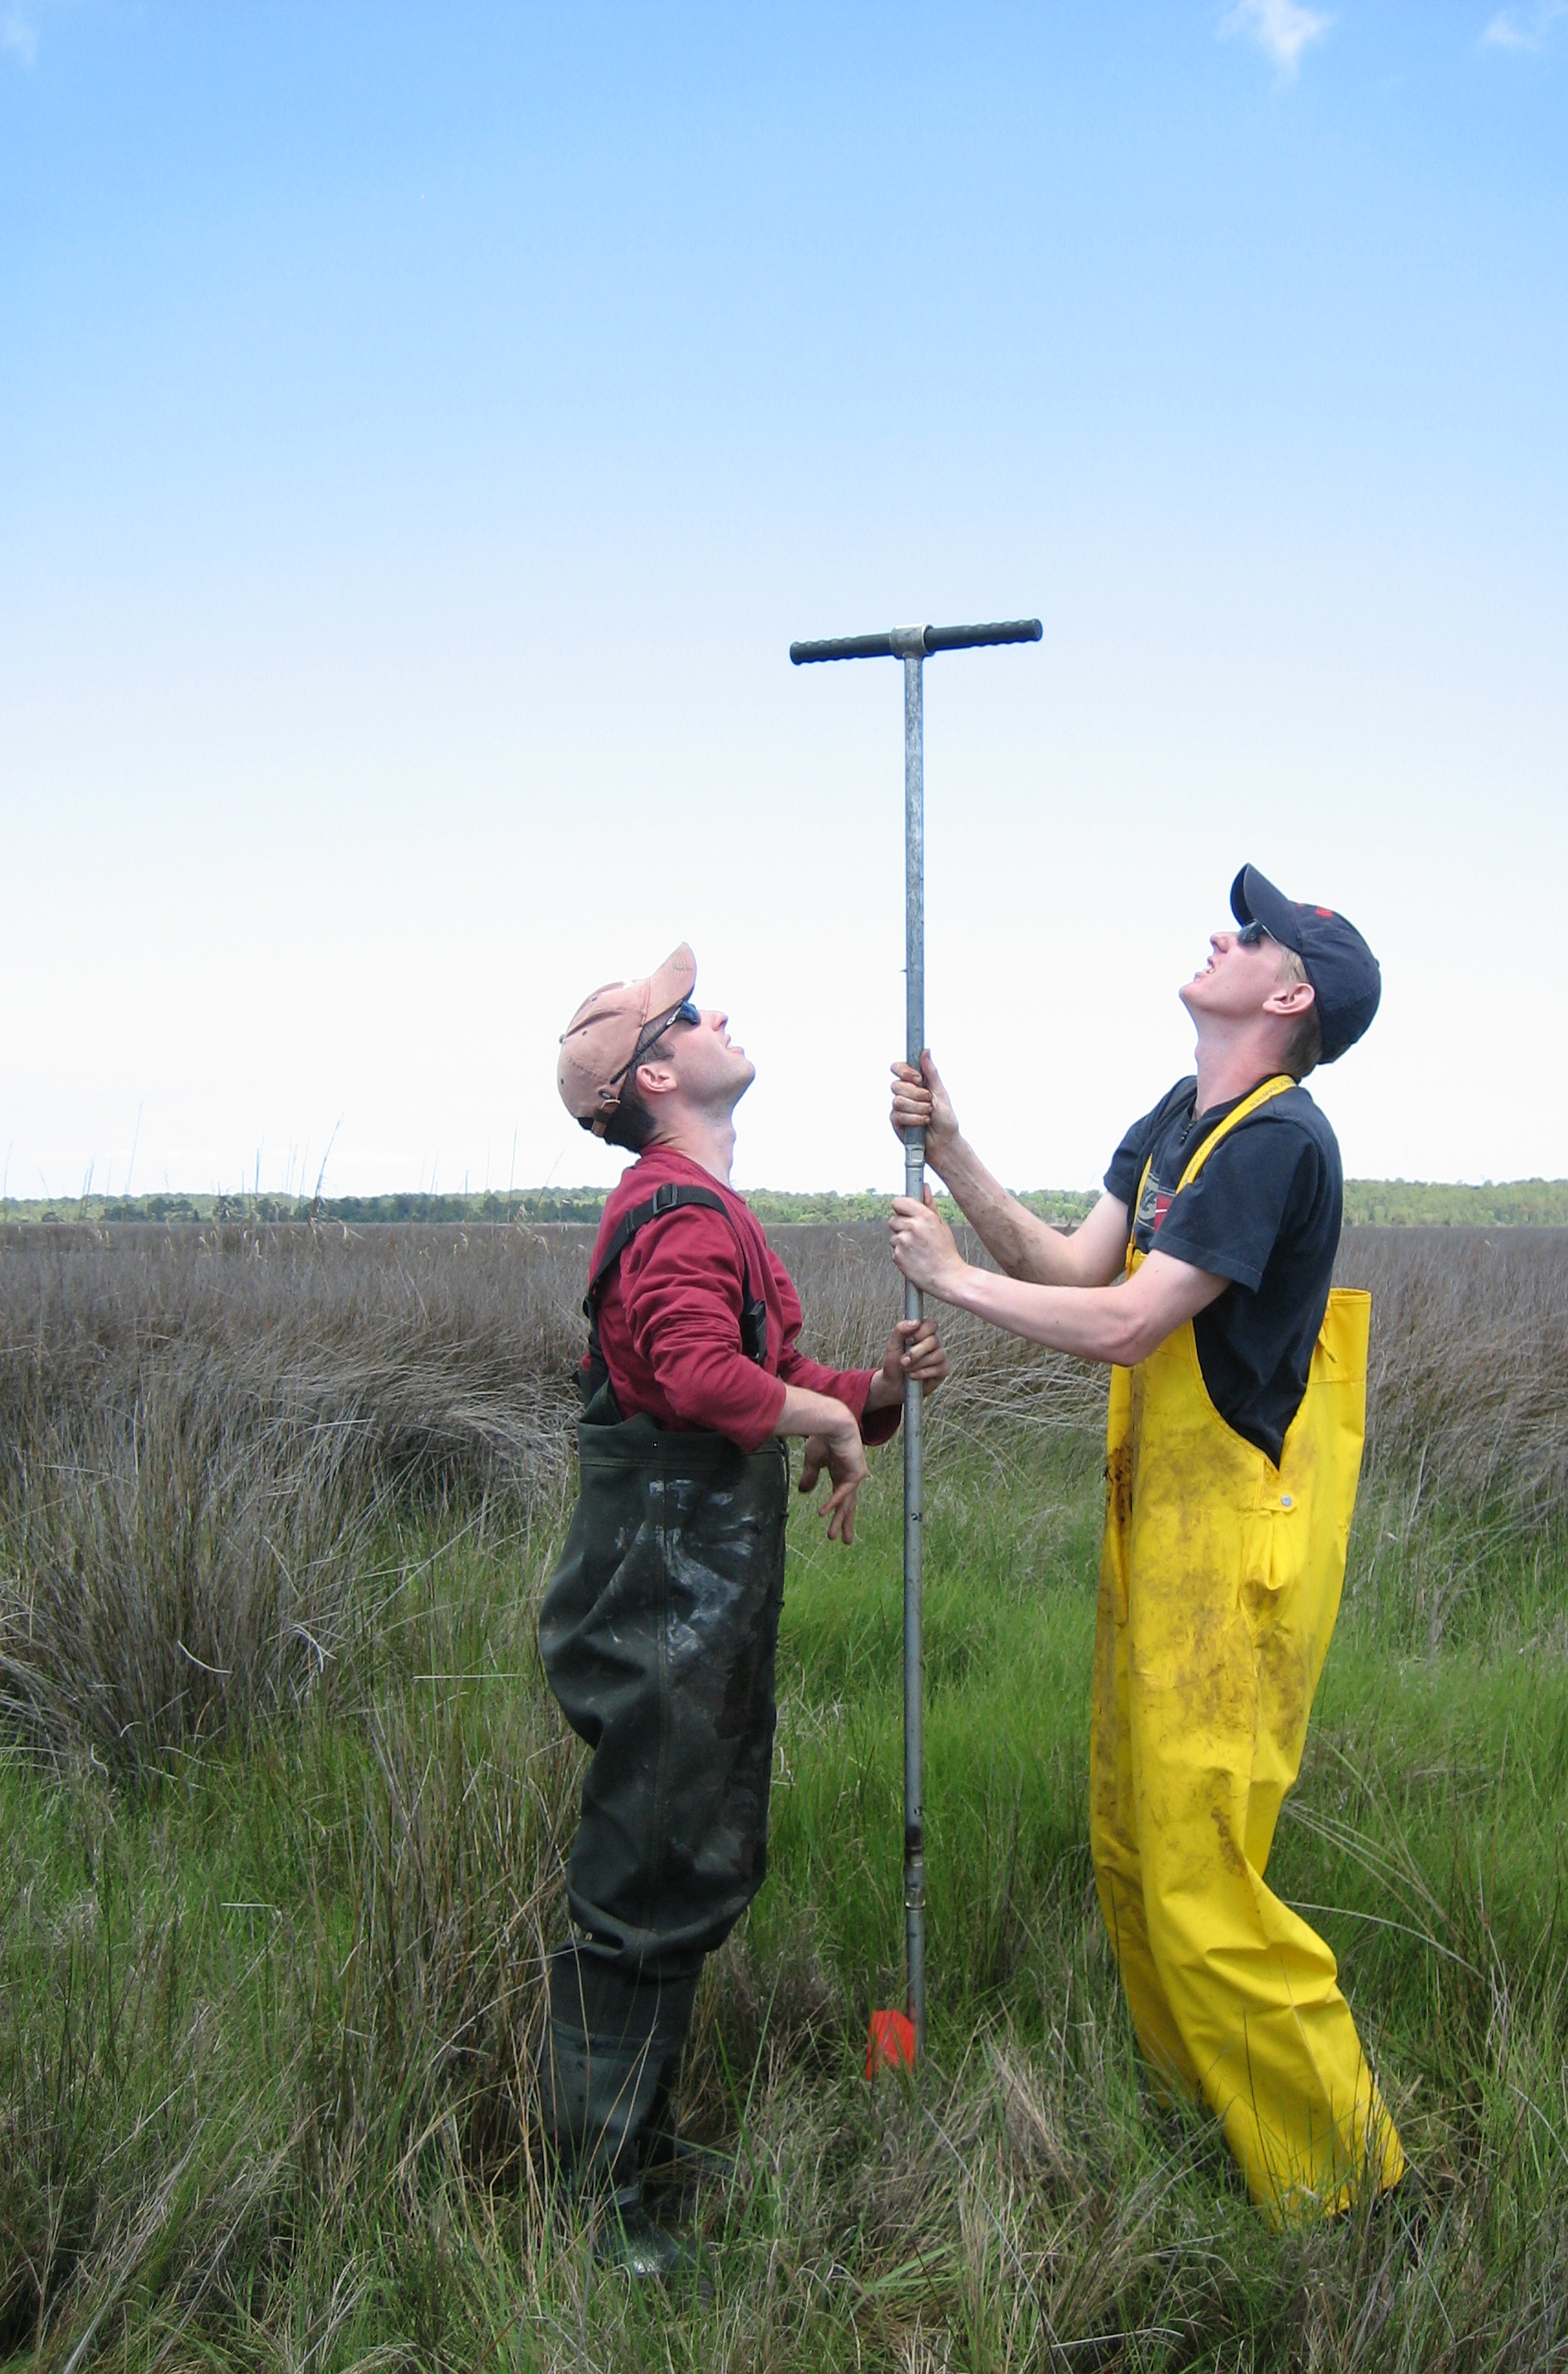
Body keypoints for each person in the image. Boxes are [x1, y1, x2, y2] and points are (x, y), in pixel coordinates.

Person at [887, 865, 1405, 2226]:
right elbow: (1075, 1270)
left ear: (1289, 994)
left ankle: (1347, 2184)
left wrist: (949, 1282)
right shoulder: (1181, 1118)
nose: (1225, 934)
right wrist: (955, 1159)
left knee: (1199, 1867)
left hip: (1235, 1545)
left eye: (1256, 933)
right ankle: (1214, 2126)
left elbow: (1131, 1327)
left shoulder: (1282, 1140)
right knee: (1128, 1844)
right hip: (1152, 1527)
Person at [541, 940, 946, 2276]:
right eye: (692, 1013)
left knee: (688, 1859)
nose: (722, 1015)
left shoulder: (705, 1209)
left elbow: (769, 1372)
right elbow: (694, 1371)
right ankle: (601, 2211)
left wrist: (873, 1393)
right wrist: (821, 1412)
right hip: (662, 1585)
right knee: (645, 1874)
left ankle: (639, 2156)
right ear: (656, 1072)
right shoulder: (670, 1211)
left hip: (690, 1588)